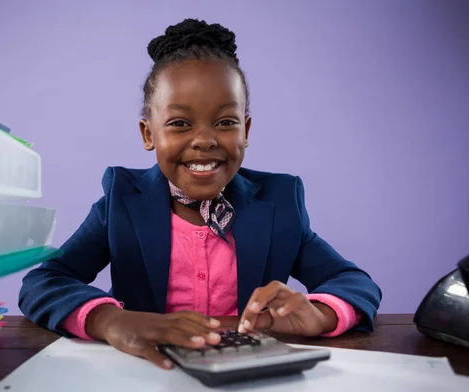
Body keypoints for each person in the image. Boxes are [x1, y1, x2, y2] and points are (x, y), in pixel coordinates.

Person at [19, 18, 382, 370]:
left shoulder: (280, 203)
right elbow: (44, 282)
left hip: (248, 373)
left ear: (246, 130)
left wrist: (319, 315)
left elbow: (355, 283)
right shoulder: (122, 201)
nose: (205, 140)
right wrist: (113, 321)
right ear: (149, 134)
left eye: (226, 122)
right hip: (145, 374)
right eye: (179, 123)